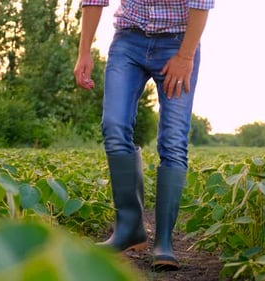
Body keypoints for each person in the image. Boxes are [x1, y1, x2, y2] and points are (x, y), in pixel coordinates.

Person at [73, 0, 214, 271]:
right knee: (114, 127)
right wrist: (84, 51)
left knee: (173, 142)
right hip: (129, 40)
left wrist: (185, 57)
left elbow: (202, 2)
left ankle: (164, 242)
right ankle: (129, 230)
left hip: (178, 42)